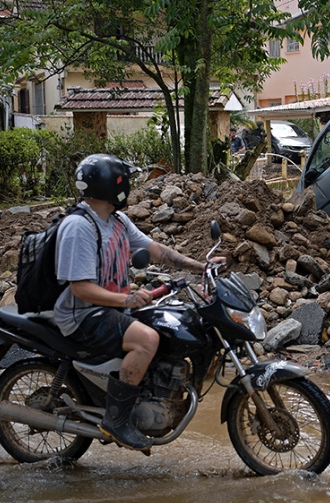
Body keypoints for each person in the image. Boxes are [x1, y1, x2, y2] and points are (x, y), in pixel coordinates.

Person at [54, 154, 224, 451]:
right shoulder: (78, 227)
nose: (130, 187)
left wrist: (202, 267)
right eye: (126, 181)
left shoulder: (116, 221)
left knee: (170, 322)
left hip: (110, 308)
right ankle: (117, 423)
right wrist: (127, 298)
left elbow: (155, 250)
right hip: (83, 315)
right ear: (111, 186)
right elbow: (80, 288)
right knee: (147, 340)